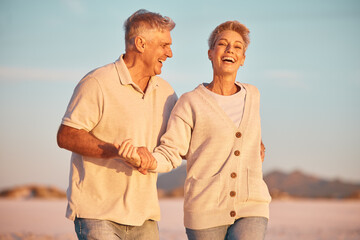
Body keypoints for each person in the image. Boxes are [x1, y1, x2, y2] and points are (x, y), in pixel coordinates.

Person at [120, 20, 271, 240]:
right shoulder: (190, 102)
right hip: (205, 210)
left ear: (243, 59)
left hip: (252, 205)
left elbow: (243, 134)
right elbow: (172, 151)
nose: (230, 50)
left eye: (238, 47)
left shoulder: (253, 95)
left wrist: (256, 142)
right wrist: (148, 160)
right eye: (223, 44)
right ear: (210, 53)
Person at [56, 9, 177, 240]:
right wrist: (117, 152)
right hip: (97, 214)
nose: (169, 53)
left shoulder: (167, 93)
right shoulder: (97, 82)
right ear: (141, 43)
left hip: (145, 217)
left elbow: (181, 142)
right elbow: (66, 135)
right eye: (164, 45)